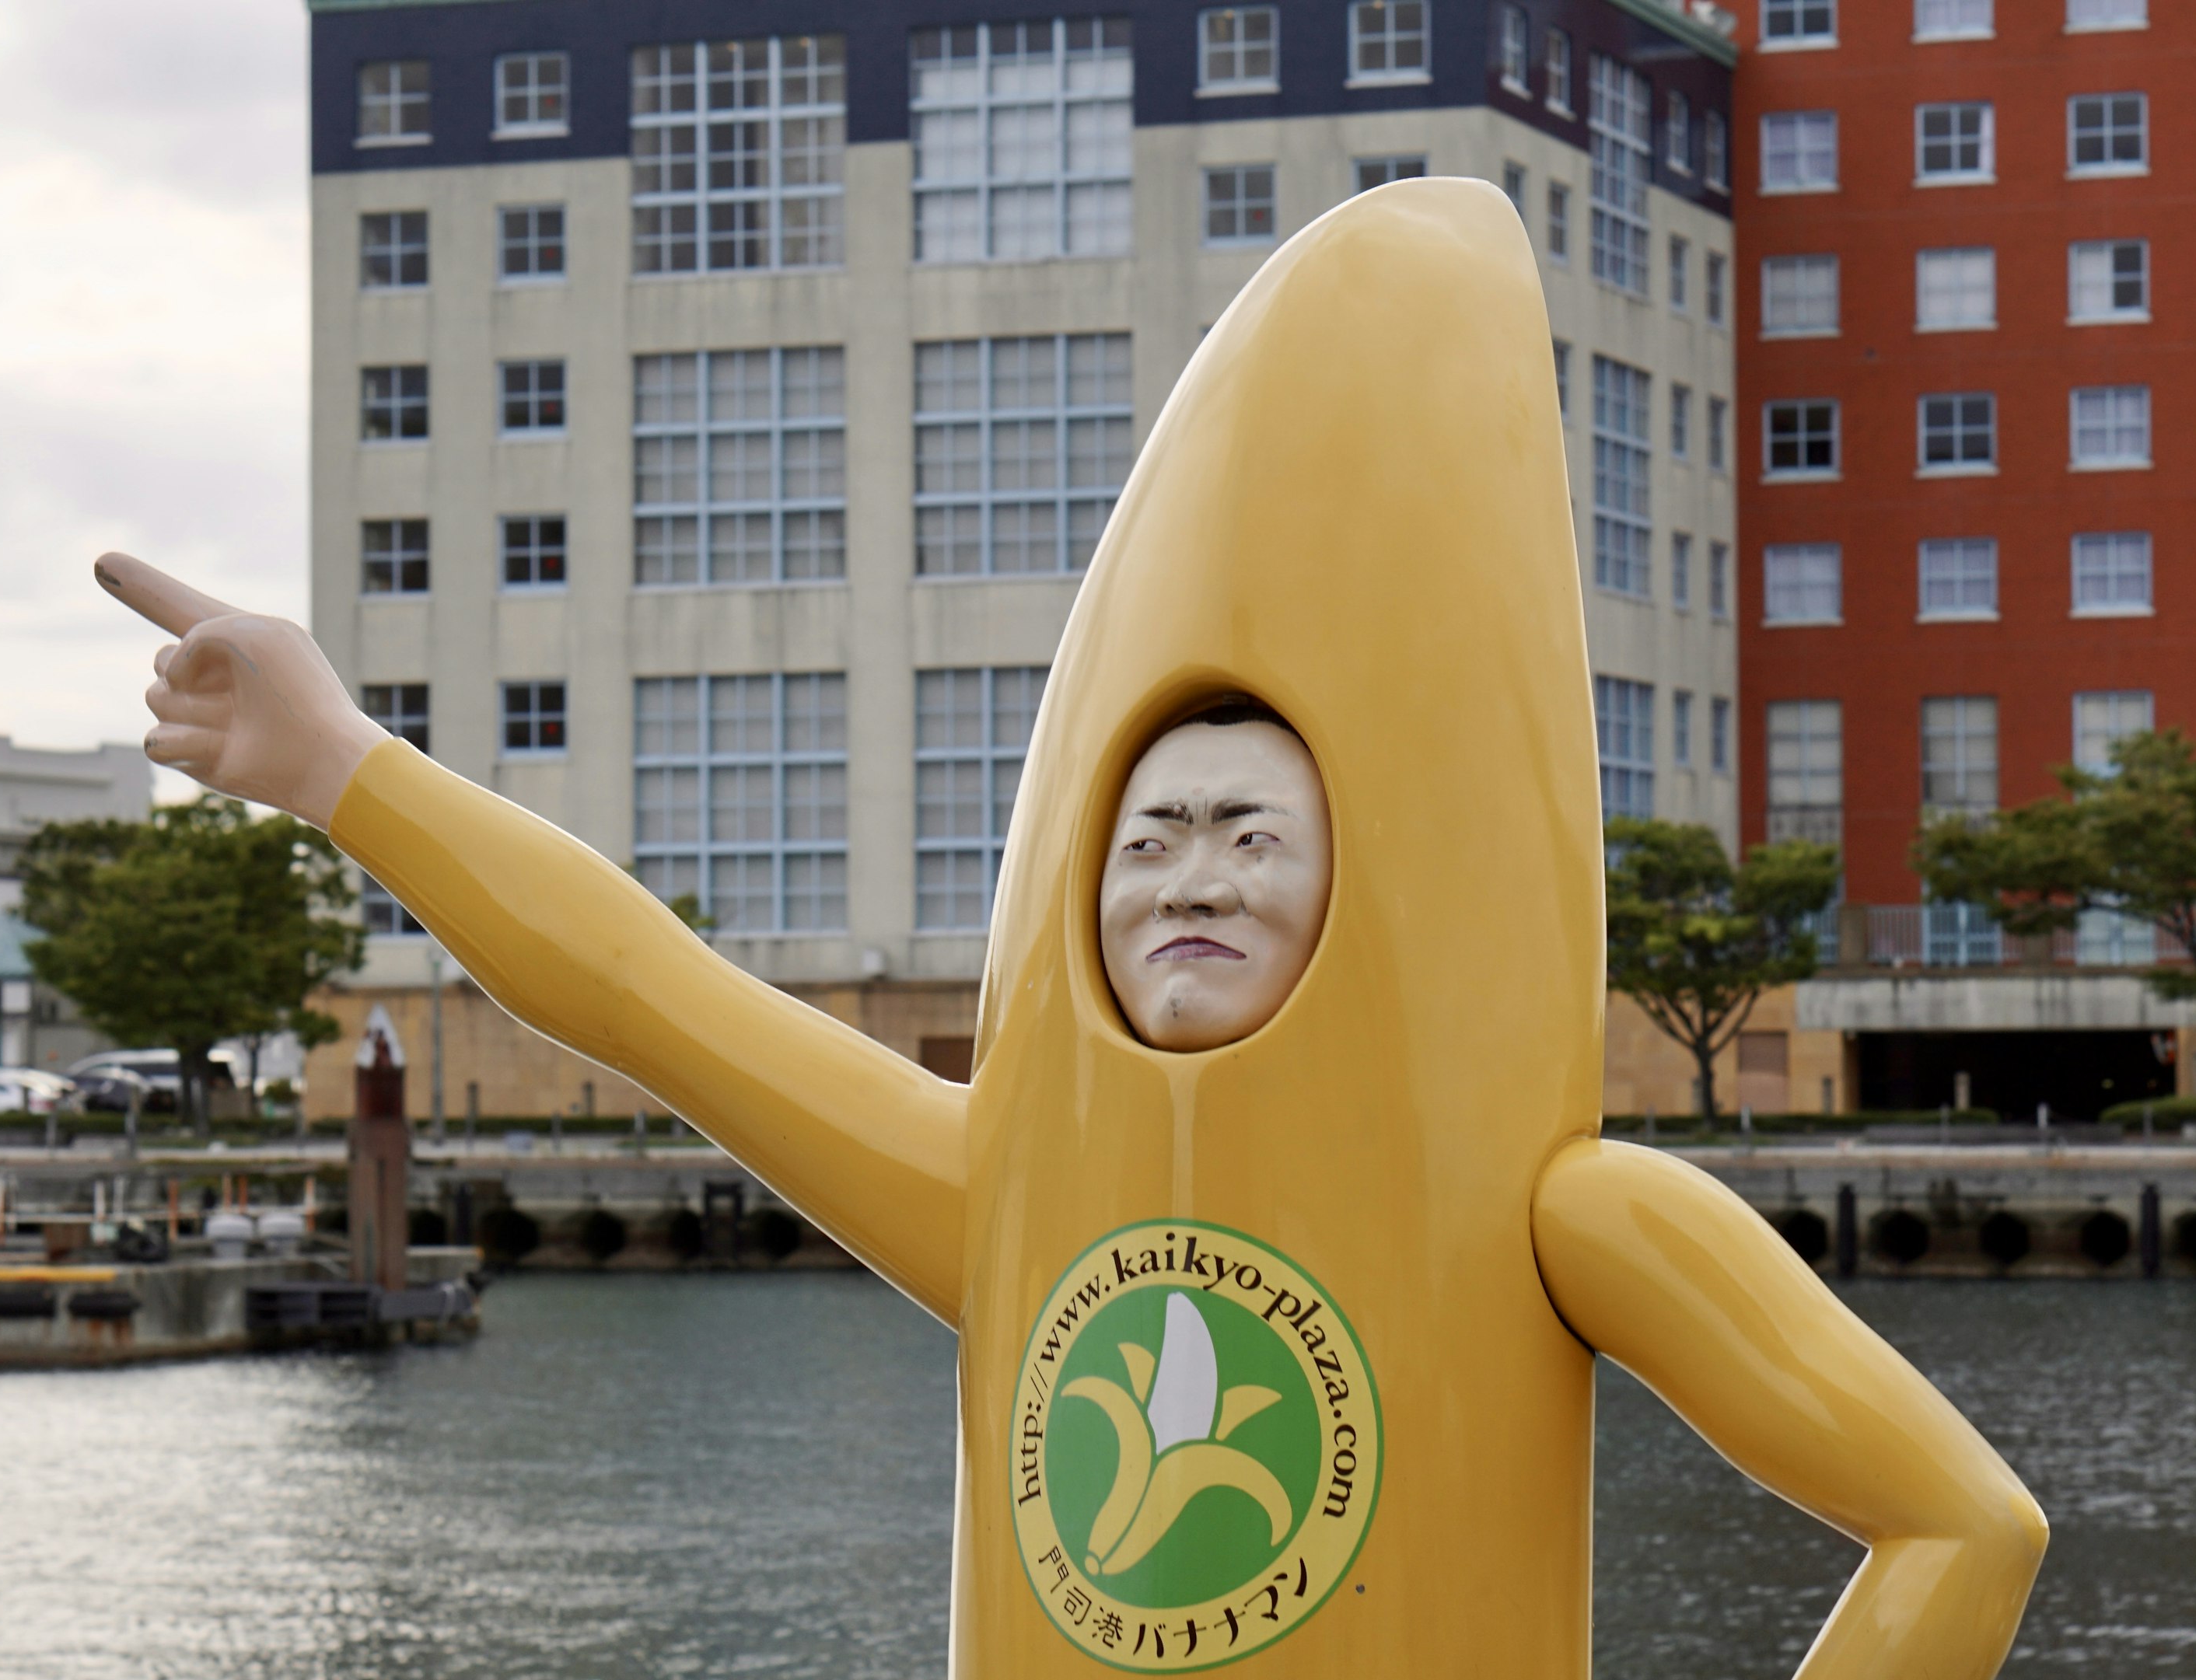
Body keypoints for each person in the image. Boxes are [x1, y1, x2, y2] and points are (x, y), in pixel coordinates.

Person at [100, 178, 2042, 1677]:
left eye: (1251, 835)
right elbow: (647, 991)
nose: (1188, 872)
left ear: (1373, 871)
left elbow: (1961, 1527)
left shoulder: (1573, 1220)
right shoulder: (1005, 1189)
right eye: (1150, 832)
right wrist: (343, 761)